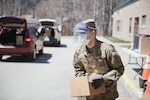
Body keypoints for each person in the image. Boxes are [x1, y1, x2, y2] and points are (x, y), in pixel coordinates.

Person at [73, 19, 124, 100]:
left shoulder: (107, 49)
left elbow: (119, 69)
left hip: (106, 95)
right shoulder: (79, 51)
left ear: (92, 33)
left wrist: (104, 79)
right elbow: (78, 69)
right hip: (87, 95)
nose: (80, 36)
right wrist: (84, 79)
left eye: (83, 33)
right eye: (79, 33)